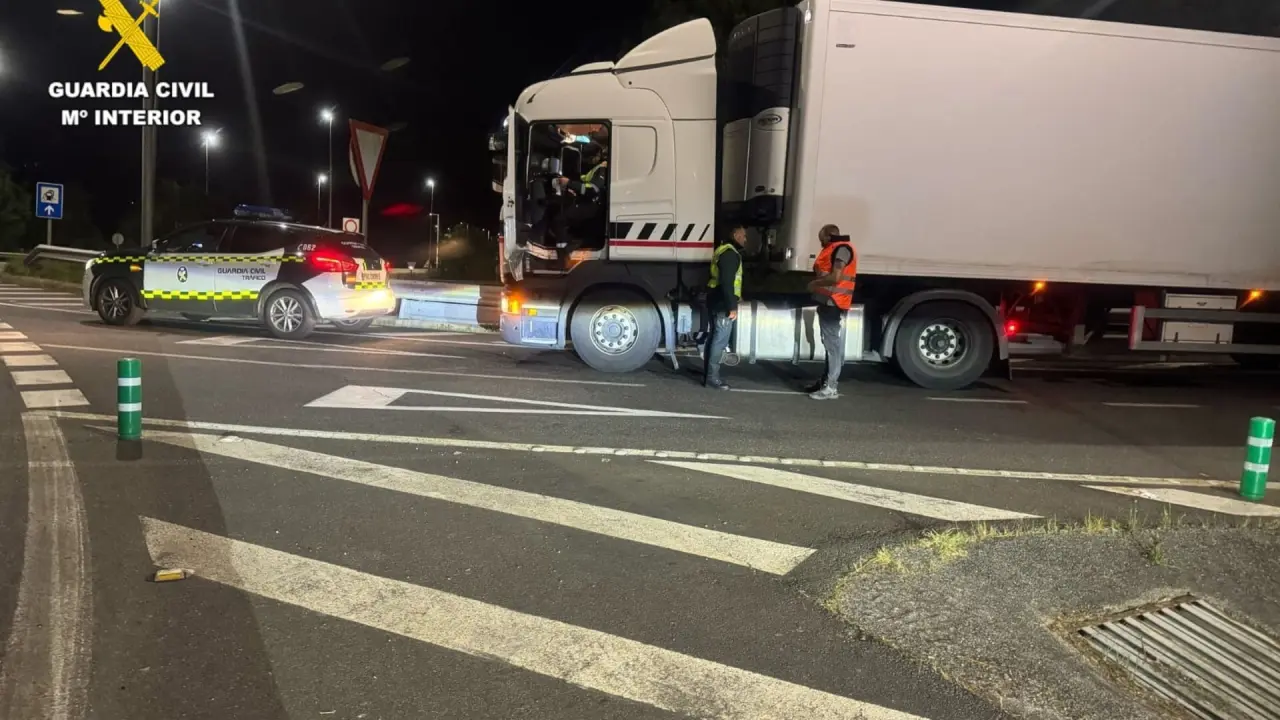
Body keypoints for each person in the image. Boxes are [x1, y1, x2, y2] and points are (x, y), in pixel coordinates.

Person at [806, 223, 857, 400]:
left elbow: (836, 277)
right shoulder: (835, 249)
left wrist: (814, 284)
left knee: (832, 346)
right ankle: (825, 382)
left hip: (834, 302)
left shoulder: (842, 249)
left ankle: (831, 387)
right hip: (828, 302)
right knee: (829, 344)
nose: (821, 243)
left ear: (829, 236)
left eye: (822, 239)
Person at [703, 223, 746, 390]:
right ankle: (712, 378)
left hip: (716, 299)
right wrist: (732, 306)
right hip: (722, 303)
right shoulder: (730, 254)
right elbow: (727, 282)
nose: (745, 239)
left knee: (714, 338)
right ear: (736, 235)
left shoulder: (723, 250)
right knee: (719, 340)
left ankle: (708, 375)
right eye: (743, 235)